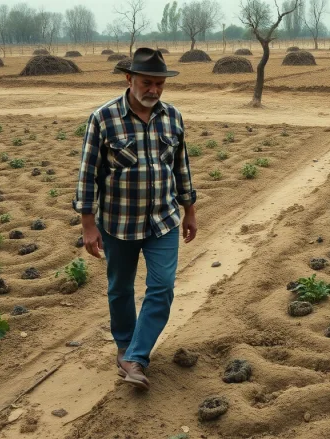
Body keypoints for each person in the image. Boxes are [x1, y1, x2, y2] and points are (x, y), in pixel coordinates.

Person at [72, 47, 197, 390]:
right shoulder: (103, 118)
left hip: (163, 220)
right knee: (120, 289)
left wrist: (190, 211)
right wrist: (88, 224)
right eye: (147, 82)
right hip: (117, 222)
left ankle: (137, 358)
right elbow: (87, 175)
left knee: (162, 287)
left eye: (159, 83)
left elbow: (181, 168)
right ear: (129, 79)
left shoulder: (173, 117)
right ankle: (125, 346)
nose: (154, 90)